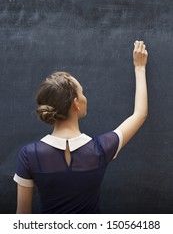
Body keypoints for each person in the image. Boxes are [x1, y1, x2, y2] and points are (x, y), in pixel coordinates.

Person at [13, 40, 148, 214]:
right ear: (76, 103)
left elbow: (21, 218)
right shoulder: (100, 149)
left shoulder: (29, 154)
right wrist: (140, 68)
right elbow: (140, 114)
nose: (85, 97)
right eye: (82, 92)